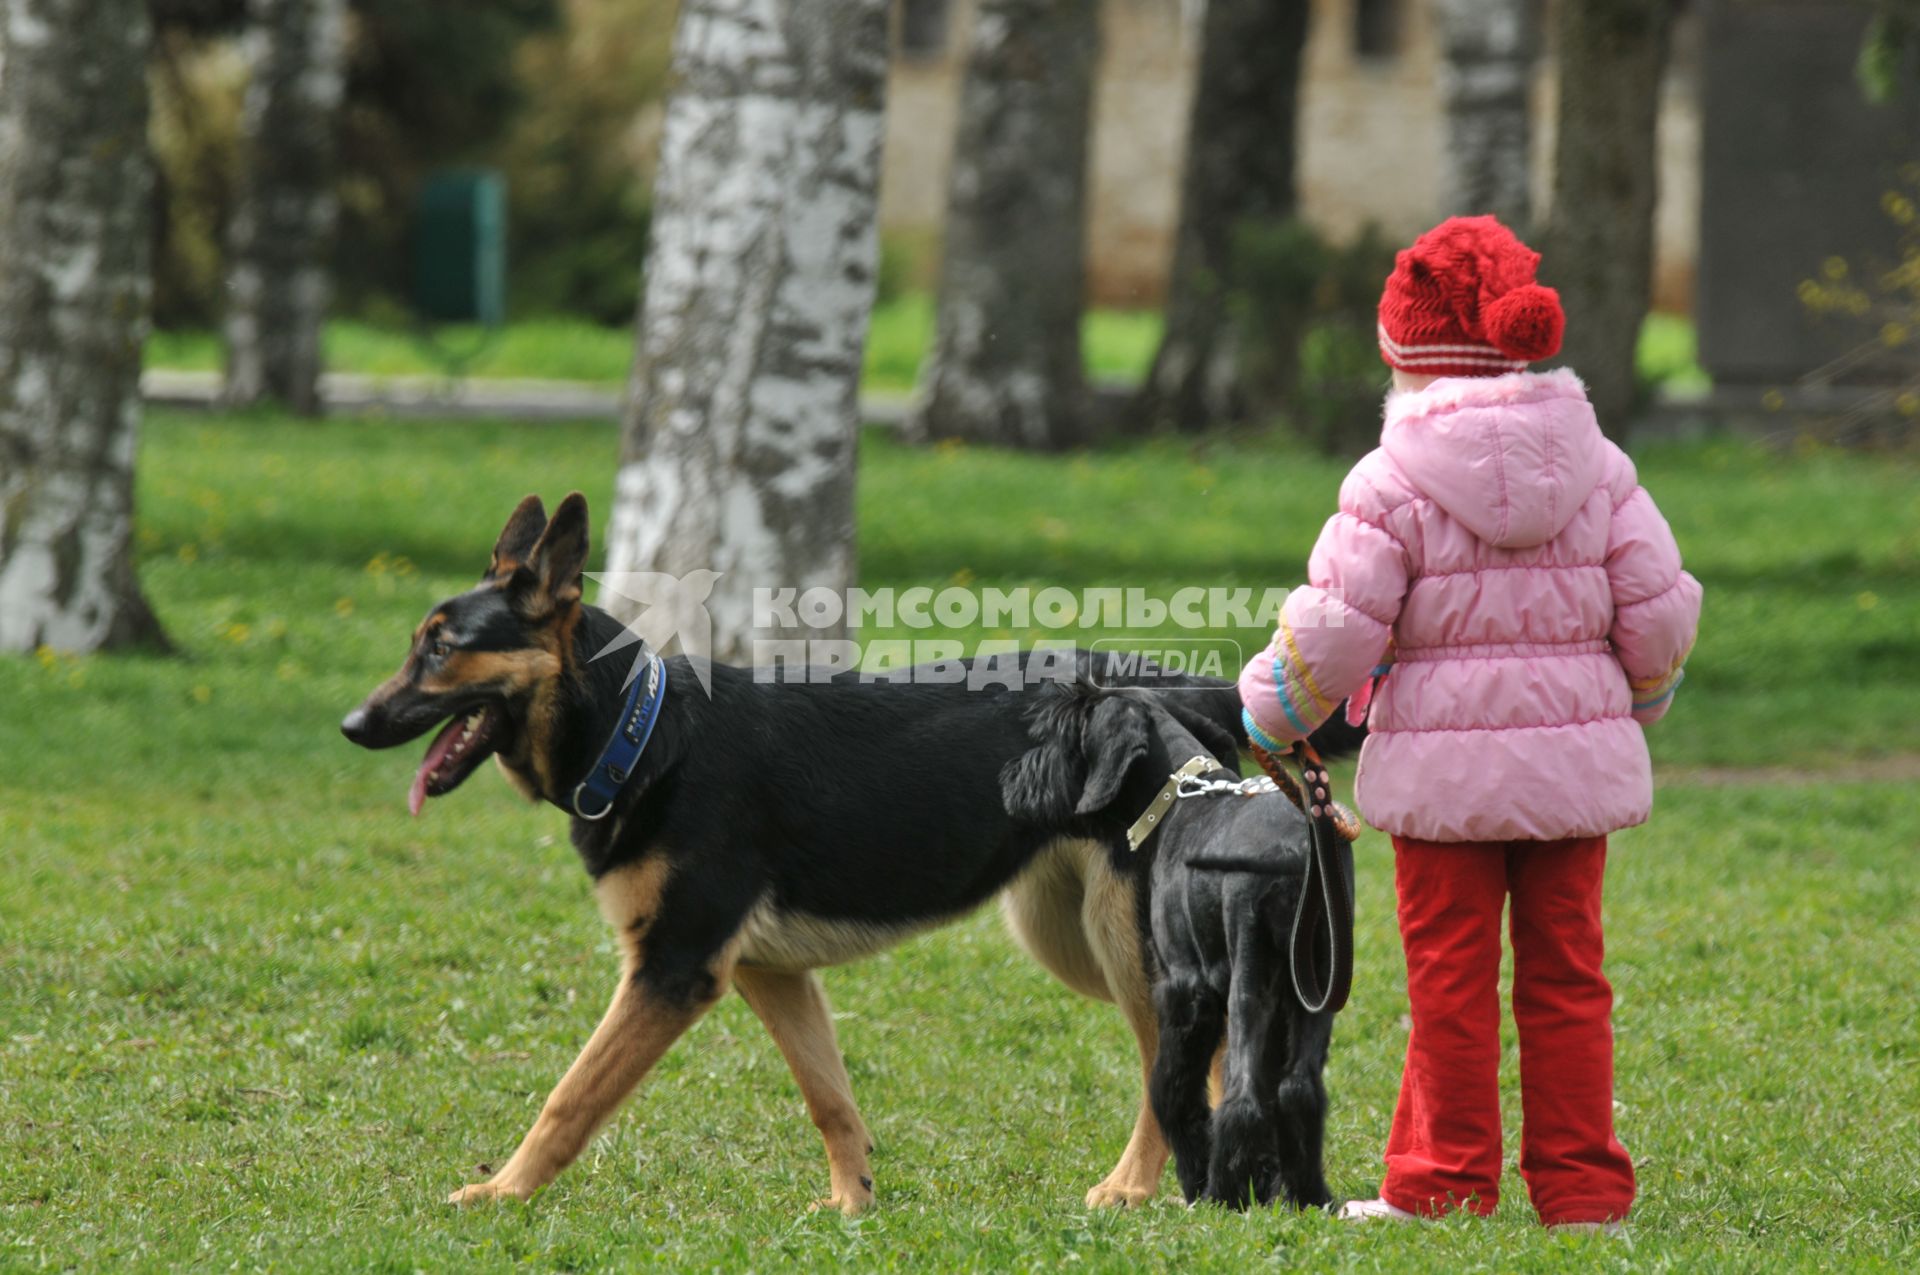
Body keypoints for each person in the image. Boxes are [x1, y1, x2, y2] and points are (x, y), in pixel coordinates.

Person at [1238, 215, 1702, 1231]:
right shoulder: (1603, 468)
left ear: (1406, 357)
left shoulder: (1391, 480)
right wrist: (1642, 698)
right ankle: (1583, 1194)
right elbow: (1660, 608)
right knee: (1569, 974)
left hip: (1443, 792)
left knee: (1450, 981)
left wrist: (1271, 711)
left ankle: (1442, 1181)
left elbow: (1337, 630)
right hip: (1572, 779)